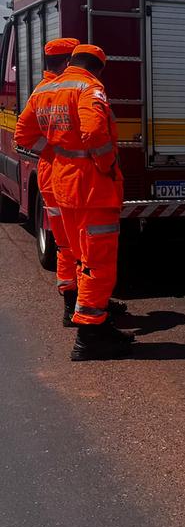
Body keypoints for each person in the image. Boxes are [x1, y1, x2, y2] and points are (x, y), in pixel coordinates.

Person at [31, 44, 134, 359]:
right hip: (91, 189)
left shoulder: (52, 88)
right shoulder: (89, 87)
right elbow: (93, 133)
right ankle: (89, 337)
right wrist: (107, 166)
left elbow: (26, 133)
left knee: (78, 255)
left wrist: (53, 153)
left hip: (65, 185)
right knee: (97, 263)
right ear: (98, 67)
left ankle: (94, 325)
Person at [15, 37, 82, 325]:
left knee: (66, 246)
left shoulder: (41, 91)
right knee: (84, 245)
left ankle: (72, 305)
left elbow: (22, 135)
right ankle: (86, 307)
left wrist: (52, 148)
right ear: (68, 62)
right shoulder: (72, 90)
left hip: (49, 175)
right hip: (70, 176)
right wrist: (63, 149)